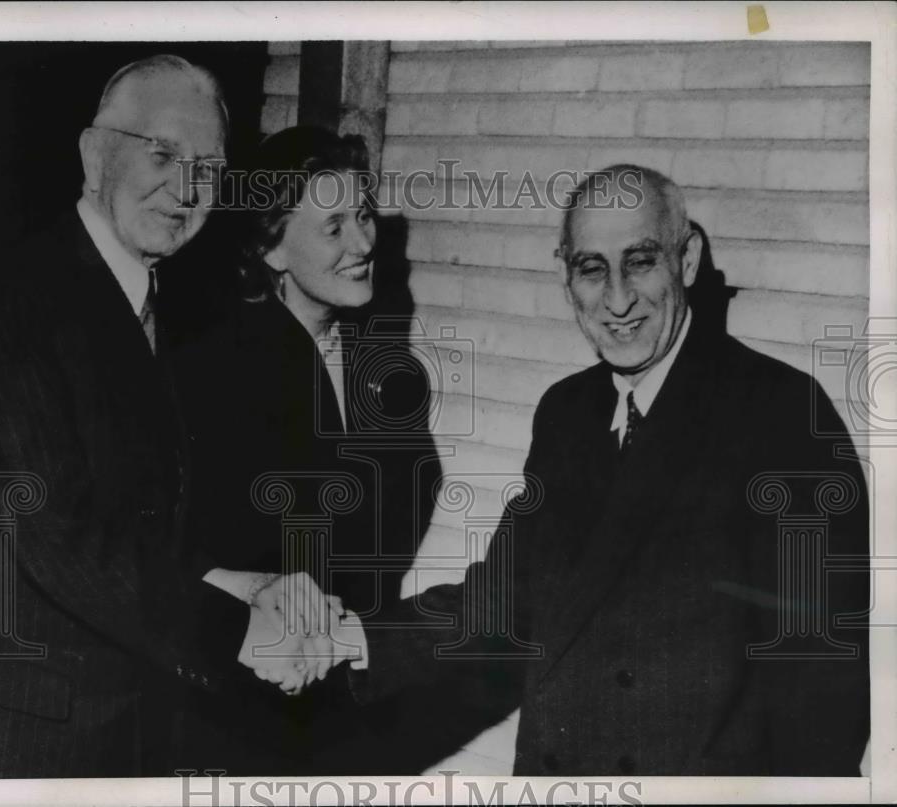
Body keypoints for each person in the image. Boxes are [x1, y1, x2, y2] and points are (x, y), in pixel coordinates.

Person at [316, 164, 871, 776]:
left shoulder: (781, 414)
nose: (617, 300)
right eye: (592, 268)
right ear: (565, 274)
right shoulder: (568, 411)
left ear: (686, 260)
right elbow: (503, 600)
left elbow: (822, 696)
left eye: (640, 261)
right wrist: (350, 638)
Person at [0, 54, 309, 779]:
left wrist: (235, 580)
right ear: (93, 152)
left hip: (112, 728)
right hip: (18, 740)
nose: (187, 187)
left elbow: (129, 521)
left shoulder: (143, 302)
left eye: (210, 168)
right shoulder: (12, 305)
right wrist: (238, 631)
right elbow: (59, 537)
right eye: (162, 152)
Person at [173, 126, 511, 773]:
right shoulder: (210, 369)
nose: (363, 243)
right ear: (271, 247)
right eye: (333, 227)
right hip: (240, 706)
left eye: (363, 215)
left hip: (342, 695)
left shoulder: (383, 368)